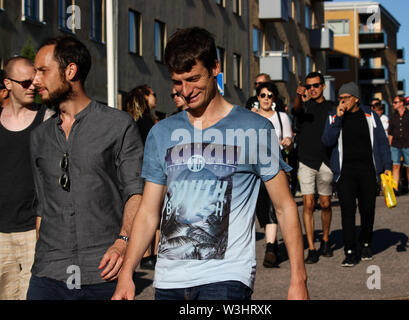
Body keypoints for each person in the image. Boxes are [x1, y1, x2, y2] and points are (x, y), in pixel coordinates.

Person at [112, 27, 309, 300]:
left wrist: (298, 280)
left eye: (193, 79)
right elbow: (148, 210)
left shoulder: (254, 129)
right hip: (169, 280)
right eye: (178, 82)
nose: (186, 91)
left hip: (226, 278)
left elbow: (285, 206)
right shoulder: (162, 133)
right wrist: (126, 275)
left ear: (215, 68)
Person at [27, 36, 144, 300]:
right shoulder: (39, 137)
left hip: (103, 270)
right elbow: (42, 207)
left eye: (43, 71)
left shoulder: (118, 125)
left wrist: (123, 242)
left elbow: (135, 191)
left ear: (70, 71)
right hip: (48, 275)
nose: (35, 80)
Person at [0, 57, 54, 300]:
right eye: (24, 82)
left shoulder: (48, 120)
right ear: (8, 84)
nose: (32, 86)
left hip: (33, 232)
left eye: (34, 80)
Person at [322, 82, 392, 267]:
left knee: (368, 210)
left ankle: (367, 243)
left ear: (356, 99)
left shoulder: (370, 116)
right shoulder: (334, 115)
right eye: (340, 98)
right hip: (345, 172)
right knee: (347, 212)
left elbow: (382, 143)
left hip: (368, 171)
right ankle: (350, 251)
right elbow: (327, 141)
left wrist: (387, 166)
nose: (342, 101)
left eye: (346, 98)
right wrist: (337, 118)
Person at [292, 72, 335, 264]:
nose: (312, 89)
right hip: (306, 160)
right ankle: (311, 247)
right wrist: (297, 96)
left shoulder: (332, 107)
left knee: (325, 204)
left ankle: (325, 239)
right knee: (308, 203)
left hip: (326, 160)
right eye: (309, 86)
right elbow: (296, 109)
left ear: (323, 86)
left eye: (316, 85)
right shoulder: (304, 107)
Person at [254, 82, 293, 268]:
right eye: (263, 95)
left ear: (274, 99)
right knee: (261, 206)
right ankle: (273, 244)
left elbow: (289, 139)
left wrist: (287, 141)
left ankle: (270, 247)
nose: (266, 99)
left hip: (275, 165)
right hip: (254, 167)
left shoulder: (281, 117)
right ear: (257, 97)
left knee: (272, 205)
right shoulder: (251, 117)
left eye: (270, 95)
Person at [123, 85, 159, 270]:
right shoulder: (145, 122)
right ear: (145, 97)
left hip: (138, 170)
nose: (156, 97)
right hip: (147, 170)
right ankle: (149, 255)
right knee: (150, 210)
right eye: (154, 93)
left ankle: (148, 254)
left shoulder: (131, 119)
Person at [388, 96, 409, 196]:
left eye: (395, 102)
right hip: (395, 144)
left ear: (401, 103)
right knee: (395, 166)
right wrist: (389, 145)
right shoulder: (393, 116)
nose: (394, 104)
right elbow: (390, 133)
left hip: (407, 144)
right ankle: (395, 188)